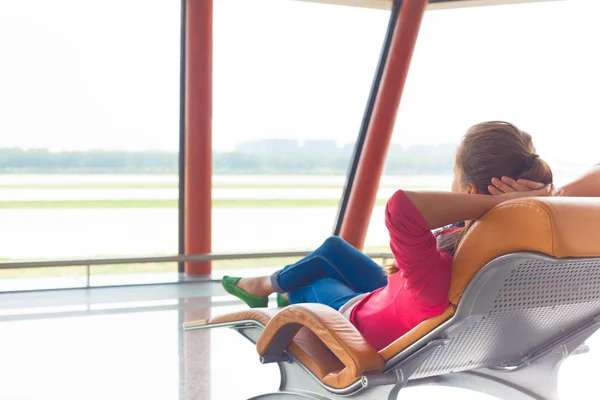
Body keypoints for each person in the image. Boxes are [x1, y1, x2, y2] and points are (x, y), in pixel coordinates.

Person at [222, 121, 556, 351]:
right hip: (395, 298)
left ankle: (269, 290)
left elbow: (400, 207)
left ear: (469, 191)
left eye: (454, 177)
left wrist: (494, 203)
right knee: (334, 249)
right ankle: (261, 285)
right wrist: (532, 203)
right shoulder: (515, 249)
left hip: (362, 319)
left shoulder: (442, 271)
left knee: (310, 280)